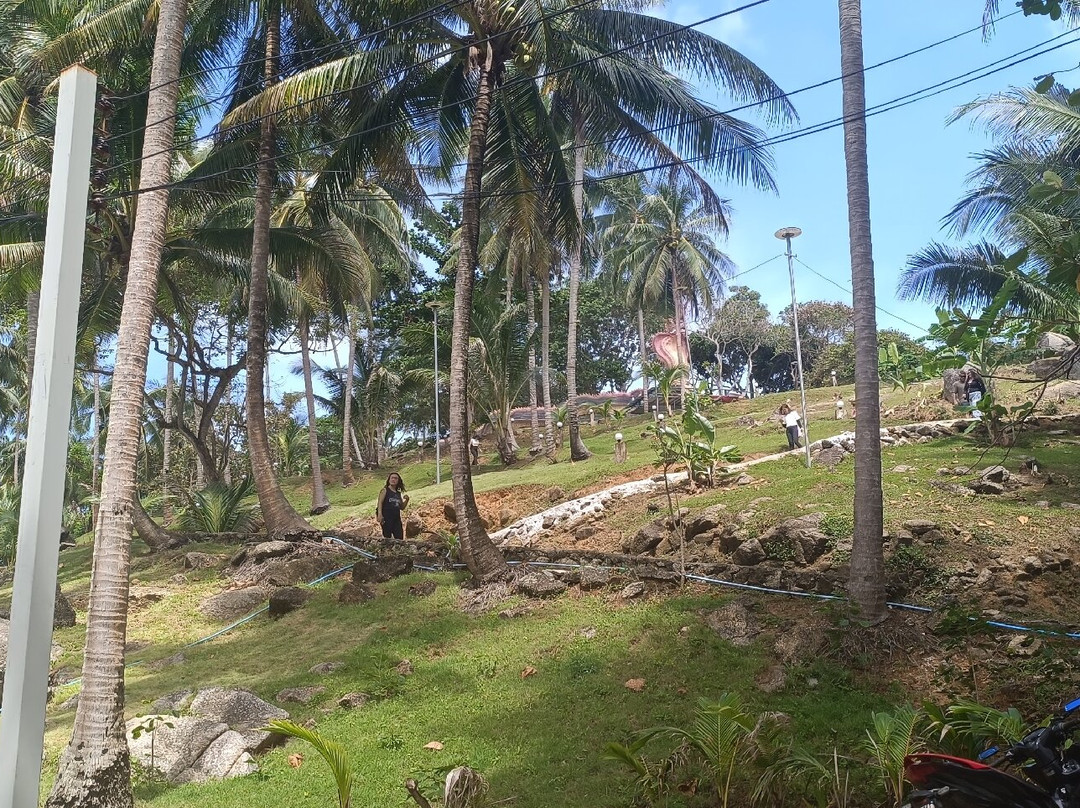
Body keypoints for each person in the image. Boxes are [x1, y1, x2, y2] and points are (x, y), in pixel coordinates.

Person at [376, 472, 409, 541]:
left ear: (398, 481)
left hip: (396, 518)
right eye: (392, 478)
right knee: (387, 537)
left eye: (396, 478)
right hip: (386, 517)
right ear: (389, 480)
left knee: (399, 537)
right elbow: (380, 503)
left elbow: (402, 507)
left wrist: (407, 500)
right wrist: (379, 514)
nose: (393, 479)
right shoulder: (385, 490)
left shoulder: (398, 494)